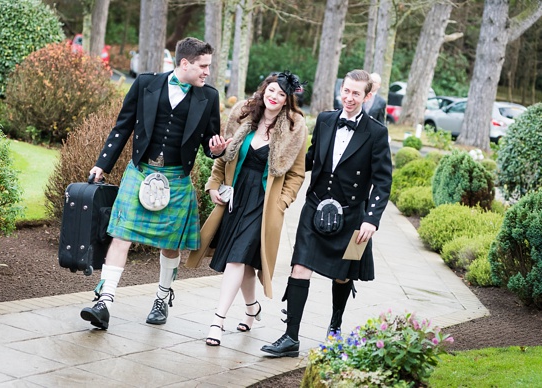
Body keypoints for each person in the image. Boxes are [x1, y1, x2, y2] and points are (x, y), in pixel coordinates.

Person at [80, 37, 231, 330]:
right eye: (203, 66)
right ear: (184, 63)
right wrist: (102, 164)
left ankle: (162, 298)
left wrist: (216, 150)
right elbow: (122, 127)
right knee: (121, 235)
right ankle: (105, 300)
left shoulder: (208, 97)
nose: (207, 72)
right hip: (140, 172)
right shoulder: (145, 84)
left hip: (176, 178)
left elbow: (209, 142)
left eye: (208, 67)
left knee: (170, 245)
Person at [260, 69, 392, 357]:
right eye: (346, 90)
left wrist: (372, 218)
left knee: (343, 275)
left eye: (357, 93)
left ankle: (334, 326)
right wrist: (274, 163)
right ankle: (290, 337)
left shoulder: (377, 133)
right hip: (316, 207)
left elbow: (383, 181)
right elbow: (308, 159)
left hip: (353, 216)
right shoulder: (324, 119)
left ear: (368, 96)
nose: (349, 97)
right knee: (299, 267)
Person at [186, 72, 308, 346]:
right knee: (246, 266)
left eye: (280, 94)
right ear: (264, 89)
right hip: (235, 198)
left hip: (264, 205)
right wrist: (214, 185)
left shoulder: (295, 126)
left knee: (237, 259)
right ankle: (252, 309)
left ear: (288, 99)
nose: (273, 96)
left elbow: (297, 174)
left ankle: (217, 321)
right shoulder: (243, 114)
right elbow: (224, 157)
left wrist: (283, 202)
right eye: (271, 90)